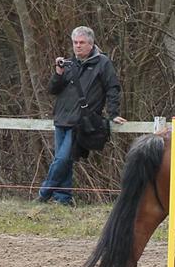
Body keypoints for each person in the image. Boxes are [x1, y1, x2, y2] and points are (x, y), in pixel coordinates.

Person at [38, 26, 125, 205]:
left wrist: (113, 113)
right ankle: (63, 199)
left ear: (91, 44)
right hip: (61, 118)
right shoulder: (69, 64)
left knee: (62, 159)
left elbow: (112, 88)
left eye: (82, 42)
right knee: (63, 160)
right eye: (75, 42)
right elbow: (52, 89)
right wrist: (58, 73)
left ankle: (44, 193)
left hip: (81, 121)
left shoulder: (102, 63)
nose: (78, 46)